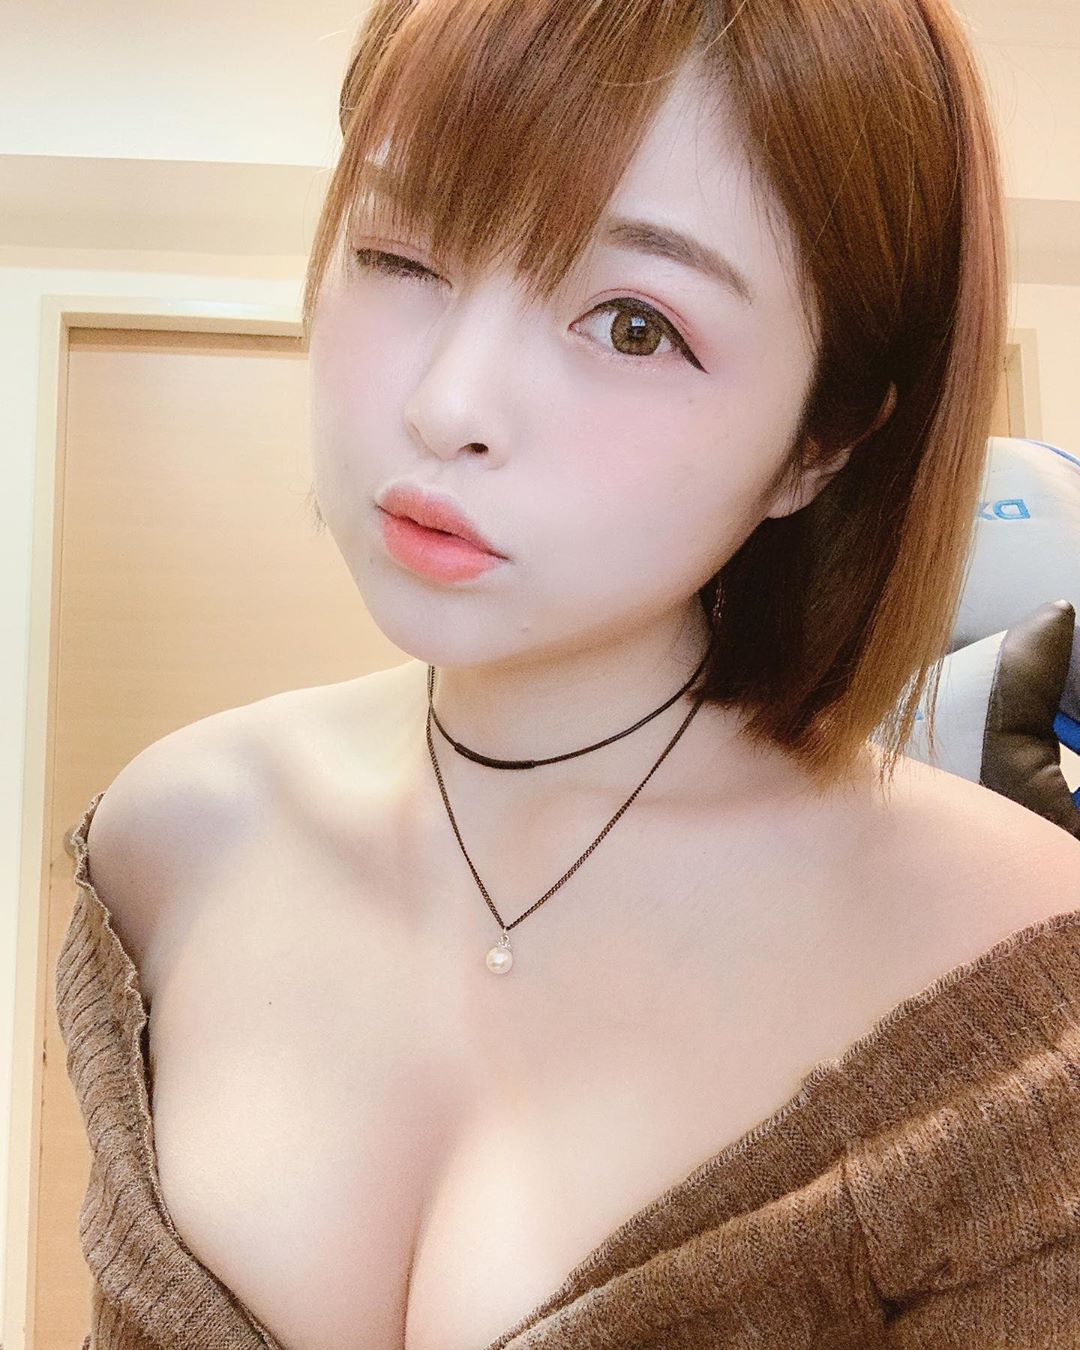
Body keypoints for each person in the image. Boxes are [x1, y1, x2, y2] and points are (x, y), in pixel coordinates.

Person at [58, 1, 1080, 1347]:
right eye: (398, 251)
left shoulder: (1013, 971)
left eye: (635, 325)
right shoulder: (173, 836)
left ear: (820, 443)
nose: (448, 404)